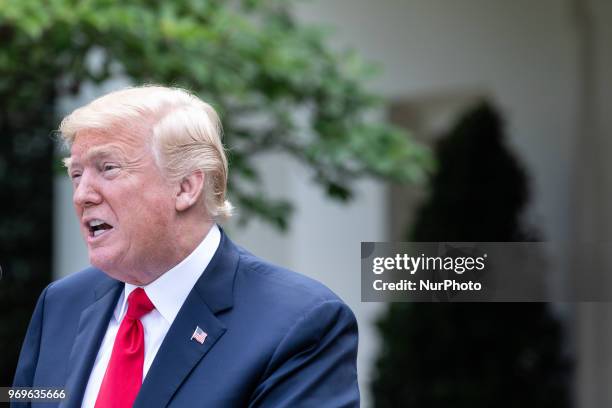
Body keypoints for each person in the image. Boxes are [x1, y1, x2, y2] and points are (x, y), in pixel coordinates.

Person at [12, 86, 359, 407]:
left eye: (108, 168)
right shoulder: (60, 304)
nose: (83, 194)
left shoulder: (299, 322)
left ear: (185, 188)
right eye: (76, 173)